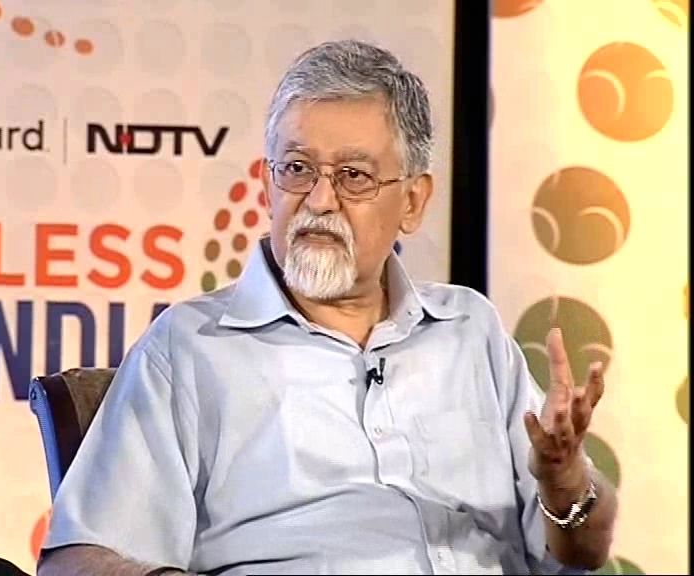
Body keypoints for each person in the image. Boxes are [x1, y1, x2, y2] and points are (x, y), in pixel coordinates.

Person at [37, 40, 617, 575]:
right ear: (267, 184)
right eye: (297, 169)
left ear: (413, 201)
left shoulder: (471, 330)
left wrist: (564, 479)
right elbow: (75, 561)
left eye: (353, 177)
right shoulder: (188, 348)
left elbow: (585, 552)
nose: (319, 200)